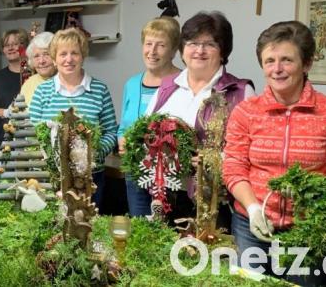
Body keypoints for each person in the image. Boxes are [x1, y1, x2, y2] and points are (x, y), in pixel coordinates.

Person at [223, 21, 326, 285]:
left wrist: (315, 187)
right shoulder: (246, 112)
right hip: (251, 226)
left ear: (306, 64)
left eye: (286, 60)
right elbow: (233, 167)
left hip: (308, 228)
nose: (277, 69)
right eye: (269, 61)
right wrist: (253, 208)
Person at [144, 11, 254, 223]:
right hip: (165, 195)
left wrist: (213, 161)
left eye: (210, 44)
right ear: (183, 49)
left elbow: (250, 150)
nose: (199, 50)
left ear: (223, 51)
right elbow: (145, 132)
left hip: (215, 201)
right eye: (192, 43)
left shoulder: (239, 92)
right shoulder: (168, 87)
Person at [29, 28, 118, 212]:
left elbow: (111, 131)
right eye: (62, 54)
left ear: (82, 56)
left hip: (90, 178)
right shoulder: (42, 91)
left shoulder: (99, 89)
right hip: (51, 178)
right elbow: (33, 133)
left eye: (74, 53)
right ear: (54, 58)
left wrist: (93, 155)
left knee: (86, 227)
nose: (68, 59)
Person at [117, 17, 182, 217]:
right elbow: (123, 126)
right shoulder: (132, 84)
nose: (152, 51)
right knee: (140, 229)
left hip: (170, 175)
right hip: (135, 171)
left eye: (161, 45)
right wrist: (122, 140)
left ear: (173, 51)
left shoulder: (182, 83)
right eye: (148, 44)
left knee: (168, 229)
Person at [0, 28, 29, 118]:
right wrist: (5, 113)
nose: (10, 48)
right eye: (6, 45)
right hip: (4, 129)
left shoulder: (33, 75)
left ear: (24, 46)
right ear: (3, 50)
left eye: (15, 44)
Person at [18, 31, 55, 106]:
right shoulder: (28, 84)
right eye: (36, 56)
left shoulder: (67, 81)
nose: (41, 61)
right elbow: (18, 115)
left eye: (46, 54)